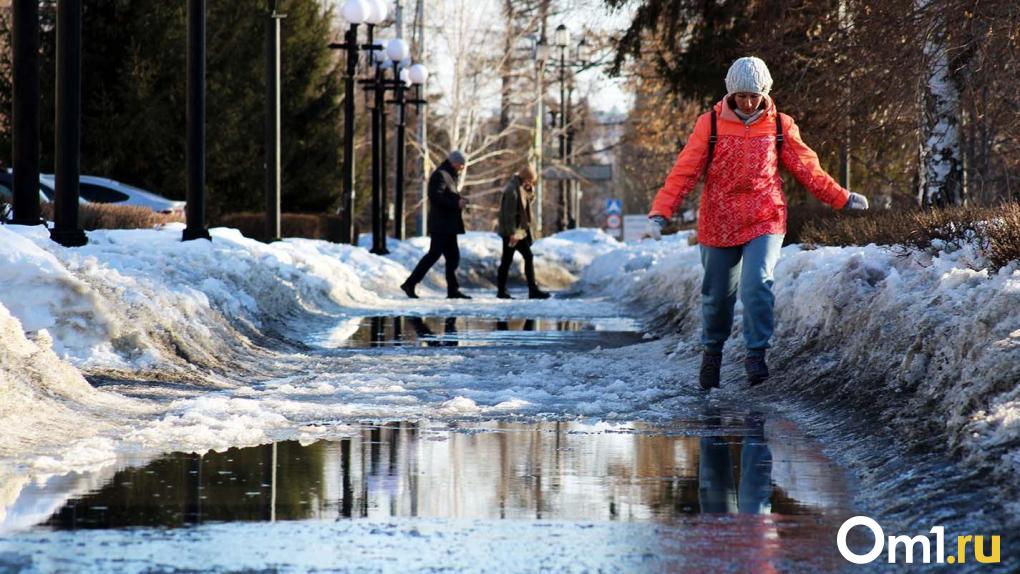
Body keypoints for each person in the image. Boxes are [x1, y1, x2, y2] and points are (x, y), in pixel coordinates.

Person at [647, 56, 870, 389]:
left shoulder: (780, 125)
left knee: (756, 284)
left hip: (765, 216)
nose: (748, 102)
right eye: (741, 95)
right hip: (718, 219)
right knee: (717, 294)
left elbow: (808, 169)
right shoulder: (709, 124)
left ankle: (756, 355)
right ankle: (712, 353)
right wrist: (660, 211)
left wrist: (842, 197)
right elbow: (685, 171)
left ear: (765, 93)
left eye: (754, 95)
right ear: (730, 94)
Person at [401, 150, 472, 299]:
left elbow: (447, 196)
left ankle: (452, 290)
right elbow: (435, 197)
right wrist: (456, 203)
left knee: (453, 257)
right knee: (434, 255)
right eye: (461, 164)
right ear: (454, 162)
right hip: (441, 224)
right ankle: (410, 283)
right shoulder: (440, 175)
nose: (462, 168)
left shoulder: (450, 175)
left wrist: (459, 200)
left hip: (448, 225)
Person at [495, 165, 550, 299]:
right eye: (530, 180)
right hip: (513, 232)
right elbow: (508, 214)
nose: (531, 183)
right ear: (525, 178)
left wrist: (530, 192)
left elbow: (525, 204)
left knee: (514, 259)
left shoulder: (520, 187)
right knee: (512, 260)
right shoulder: (512, 190)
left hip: (519, 231)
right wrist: (512, 233)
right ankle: (509, 291)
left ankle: (526, 290)